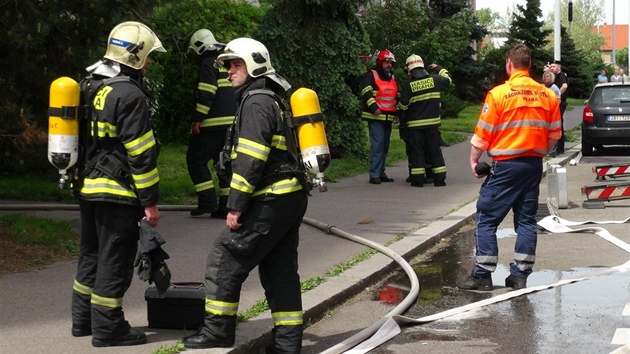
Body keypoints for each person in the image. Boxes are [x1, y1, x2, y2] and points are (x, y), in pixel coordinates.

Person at [182, 38, 308, 353]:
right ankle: (287, 344)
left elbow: (251, 160)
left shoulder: (255, 102)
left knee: (224, 258)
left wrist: (235, 206)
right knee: (279, 269)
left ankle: (217, 332)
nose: (229, 72)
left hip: (271, 198)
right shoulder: (269, 98)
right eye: (227, 66)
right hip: (288, 196)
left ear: (253, 64)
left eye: (235, 65)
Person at [70, 21, 164, 347]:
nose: (149, 62)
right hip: (119, 195)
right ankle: (109, 329)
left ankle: (83, 321)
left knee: (91, 256)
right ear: (135, 56)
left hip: (88, 188)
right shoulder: (130, 94)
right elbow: (141, 153)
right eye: (148, 56)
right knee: (115, 261)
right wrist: (150, 202)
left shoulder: (92, 85)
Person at [456, 44, 561, 291]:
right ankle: (520, 276)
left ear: (509, 65)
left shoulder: (498, 94)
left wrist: (473, 160)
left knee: (486, 216)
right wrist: (539, 151)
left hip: (505, 166)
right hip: (533, 165)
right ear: (530, 65)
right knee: (525, 220)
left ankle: (482, 274)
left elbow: (483, 134)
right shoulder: (548, 95)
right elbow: (554, 134)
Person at [186, 29, 237, 218]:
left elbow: (206, 93)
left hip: (211, 125)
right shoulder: (226, 62)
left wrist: (198, 118)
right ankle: (225, 206)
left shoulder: (208, 63)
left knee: (195, 159)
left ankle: (207, 202)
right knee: (223, 163)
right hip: (231, 125)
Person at [397, 54, 450, 187]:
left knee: (417, 152)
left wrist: (399, 111)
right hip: (432, 124)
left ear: (410, 69)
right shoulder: (435, 79)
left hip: (414, 126)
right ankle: (439, 179)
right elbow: (448, 80)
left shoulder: (408, 85)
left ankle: (418, 180)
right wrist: (438, 68)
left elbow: (403, 106)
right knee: (434, 151)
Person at [359, 49, 399, 184]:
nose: (389, 65)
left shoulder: (392, 77)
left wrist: (398, 112)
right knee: (377, 146)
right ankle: (374, 175)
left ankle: (381, 173)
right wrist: (374, 108)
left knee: (385, 146)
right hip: (376, 117)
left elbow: (396, 96)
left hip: (388, 117)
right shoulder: (371, 75)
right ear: (380, 62)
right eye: (386, 62)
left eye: (390, 63)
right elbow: (365, 92)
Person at [549, 60, 568, 155]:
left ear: (559, 67)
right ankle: (559, 147)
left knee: (558, 124)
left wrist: (558, 95)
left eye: (554, 66)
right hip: (558, 103)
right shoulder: (556, 76)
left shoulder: (561, 76)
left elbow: (564, 86)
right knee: (559, 124)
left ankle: (560, 148)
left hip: (560, 103)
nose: (552, 68)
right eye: (551, 66)